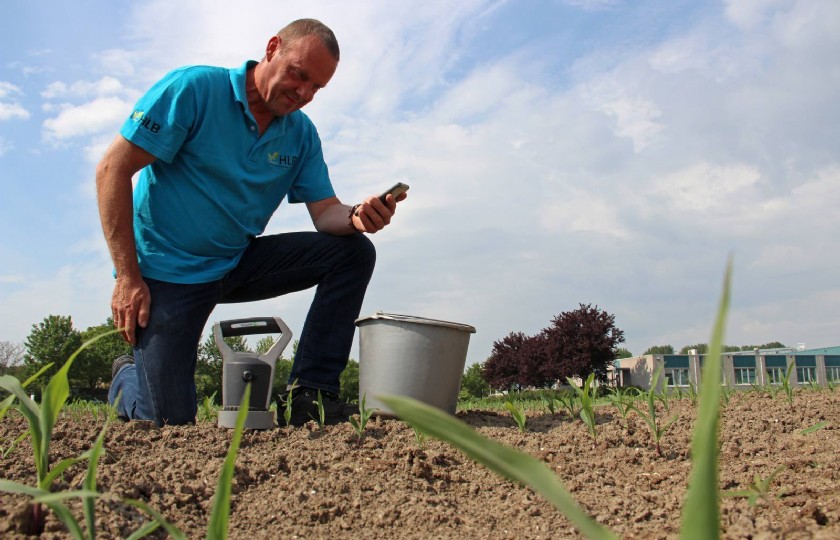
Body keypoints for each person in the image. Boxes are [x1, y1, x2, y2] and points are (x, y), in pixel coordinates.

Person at [96, 19, 404, 427]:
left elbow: (325, 212)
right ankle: (128, 377)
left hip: (236, 261)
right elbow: (112, 171)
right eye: (299, 75)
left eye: (317, 88)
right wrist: (128, 278)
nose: (304, 93)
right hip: (168, 274)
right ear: (273, 47)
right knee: (168, 423)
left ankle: (310, 394)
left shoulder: (300, 134)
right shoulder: (194, 89)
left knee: (352, 252)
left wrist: (356, 216)